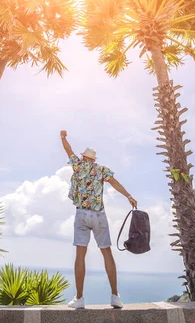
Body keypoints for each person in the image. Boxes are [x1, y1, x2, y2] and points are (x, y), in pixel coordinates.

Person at [60, 130, 138, 309]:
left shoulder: (78, 166)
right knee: (107, 253)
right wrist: (129, 196)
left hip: (81, 214)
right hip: (99, 215)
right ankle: (115, 296)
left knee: (80, 255)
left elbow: (67, 149)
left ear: (84, 158)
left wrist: (63, 137)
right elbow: (115, 183)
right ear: (93, 160)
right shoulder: (101, 170)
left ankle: (79, 299)